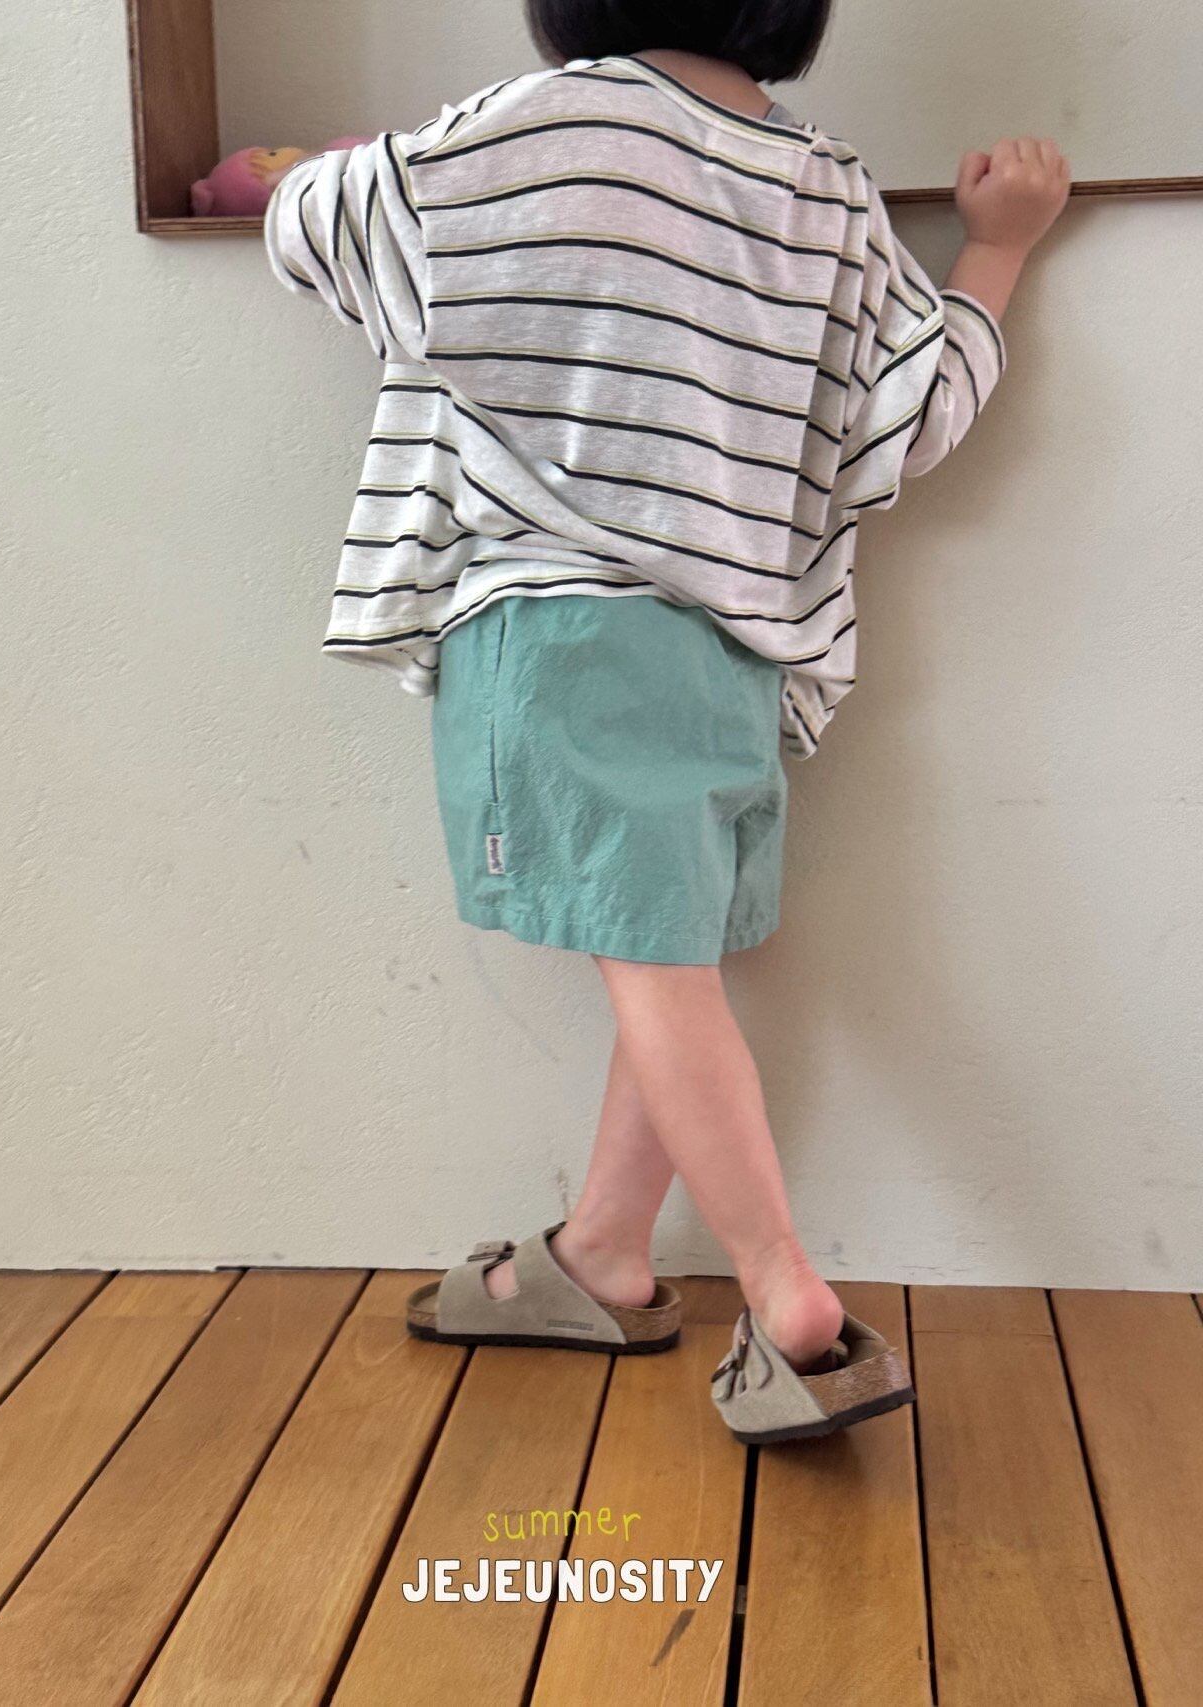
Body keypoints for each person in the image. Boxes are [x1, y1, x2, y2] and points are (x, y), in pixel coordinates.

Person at [266, 0, 1071, 1443]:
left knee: (652, 965)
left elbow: (323, 227)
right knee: (670, 955)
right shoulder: (825, 187)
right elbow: (911, 420)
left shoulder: (540, 125)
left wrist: (300, 167)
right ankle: (601, 1254)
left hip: (561, 627)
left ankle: (785, 1292)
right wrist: (999, 249)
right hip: (737, 649)